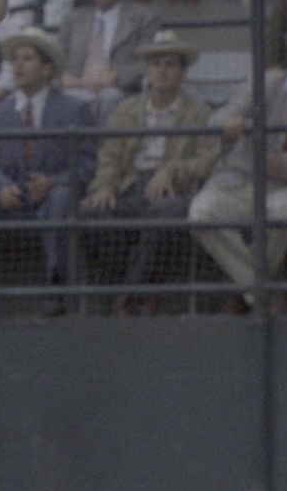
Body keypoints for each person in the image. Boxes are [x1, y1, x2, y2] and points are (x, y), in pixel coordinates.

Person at [190, 15, 287, 300]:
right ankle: (259, 291)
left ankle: (245, 290)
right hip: (242, 180)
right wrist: (233, 121)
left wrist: (286, 166)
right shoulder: (269, 81)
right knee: (201, 212)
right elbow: (217, 118)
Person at [0, 28, 94, 316]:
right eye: (15, 59)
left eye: (27, 59)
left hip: (50, 197)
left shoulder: (74, 110)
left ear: (47, 68)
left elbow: (89, 165)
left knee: (63, 199)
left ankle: (57, 287)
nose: (18, 65)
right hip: (9, 196)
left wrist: (53, 182)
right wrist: (0, 187)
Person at [78, 31, 220, 310]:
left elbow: (209, 159)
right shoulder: (127, 109)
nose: (162, 71)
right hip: (131, 185)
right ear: (147, 69)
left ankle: (125, 297)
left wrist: (172, 171)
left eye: (169, 64)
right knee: (91, 212)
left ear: (183, 73)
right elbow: (109, 155)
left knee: (163, 214)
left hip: (173, 191)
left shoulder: (199, 112)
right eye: (156, 64)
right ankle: (128, 292)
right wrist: (105, 185)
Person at [59, 0, 161, 122]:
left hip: (118, 88)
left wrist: (118, 75)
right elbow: (56, 57)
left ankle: (106, 148)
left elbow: (150, 59)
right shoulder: (74, 19)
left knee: (109, 99)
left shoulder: (143, 17)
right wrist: (62, 76)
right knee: (68, 100)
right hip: (76, 85)